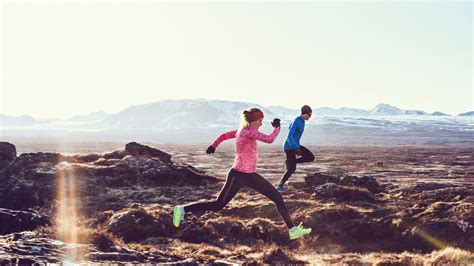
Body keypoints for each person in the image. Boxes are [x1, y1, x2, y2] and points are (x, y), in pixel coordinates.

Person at [172, 108, 312, 240]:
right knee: (218, 204)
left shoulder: (241, 130)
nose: (261, 124)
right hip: (237, 175)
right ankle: (182, 210)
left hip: (251, 175)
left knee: (277, 196)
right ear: (252, 122)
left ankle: (292, 230)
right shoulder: (249, 132)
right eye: (259, 121)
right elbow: (269, 139)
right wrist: (277, 128)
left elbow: (223, 135)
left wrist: (214, 145)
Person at [276, 105, 315, 193]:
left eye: (311, 114)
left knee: (310, 157)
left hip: (295, 145)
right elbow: (289, 136)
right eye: (309, 114)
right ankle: (279, 186)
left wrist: (297, 147)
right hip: (289, 147)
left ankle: (290, 162)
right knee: (292, 169)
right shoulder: (297, 120)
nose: (310, 116)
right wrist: (295, 147)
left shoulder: (302, 121)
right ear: (304, 113)